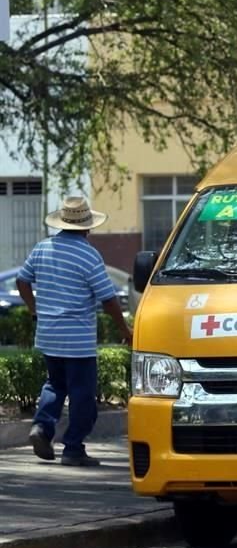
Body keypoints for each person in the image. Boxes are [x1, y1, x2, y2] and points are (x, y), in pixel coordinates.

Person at [15, 197, 133, 467]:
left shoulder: (42, 248)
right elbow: (108, 298)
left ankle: (42, 428)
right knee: (82, 394)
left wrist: (34, 309)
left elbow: (22, 280)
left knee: (54, 384)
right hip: (77, 340)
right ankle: (73, 448)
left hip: (48, 334)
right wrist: (124, 329)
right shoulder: (88, 254)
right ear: (86, 227)